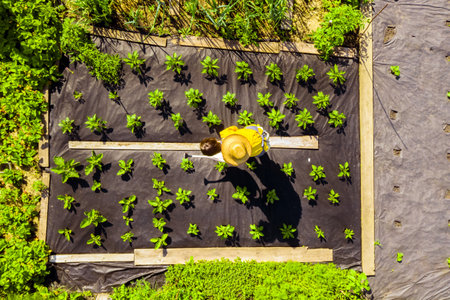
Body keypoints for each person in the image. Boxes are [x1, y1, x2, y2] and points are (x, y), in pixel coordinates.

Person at [198, 124, 270, 166]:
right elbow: (234, 127)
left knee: (257, 154)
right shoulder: (225, 134)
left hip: (261, 147)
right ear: (215, 140)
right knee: (246, 129)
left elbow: (236, 162)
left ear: (214, 153)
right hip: (258, 132)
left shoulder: (228, 158)